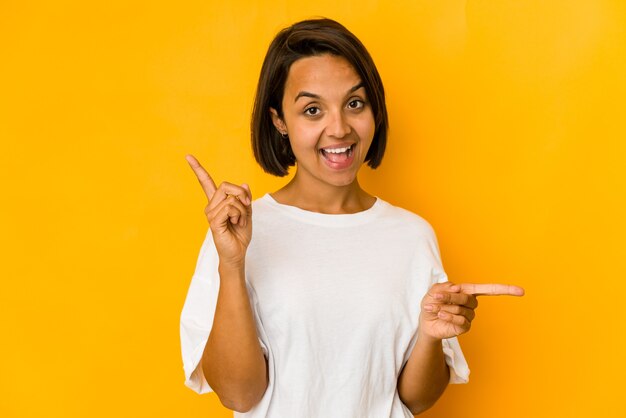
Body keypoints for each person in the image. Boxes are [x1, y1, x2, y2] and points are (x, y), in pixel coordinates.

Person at [180, 18, 524, 418]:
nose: (339, 129)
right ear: (279, 121)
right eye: (312, 110)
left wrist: (430, 337)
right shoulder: (237, 234)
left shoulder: (412, 236)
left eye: (354, 103)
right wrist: (233, 265)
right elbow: (238, 395)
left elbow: (415, 399)